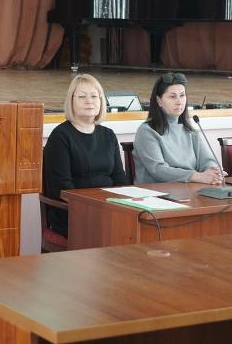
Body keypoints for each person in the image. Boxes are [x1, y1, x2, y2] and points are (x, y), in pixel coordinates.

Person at [44, 74, 127, 238]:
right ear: (71, 102)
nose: (89, 101)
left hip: (109, 208)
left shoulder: (108, 135)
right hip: (74, 212)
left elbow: (119, 179)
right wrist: (96, 207)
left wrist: (119, 205)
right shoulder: (60, 136)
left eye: (94, 96)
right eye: (82, 97)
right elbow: (62, 188)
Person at [133, 72, 222, 184]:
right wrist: (196, 176)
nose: (179, 102)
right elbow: (158, 170)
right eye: (172, 97)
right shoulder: (147, 131)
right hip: (156, 191)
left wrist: (213, 171)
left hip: (190, 190)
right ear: (159, 100)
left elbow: (207, 160)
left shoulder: (190, 131)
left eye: (182, 95)